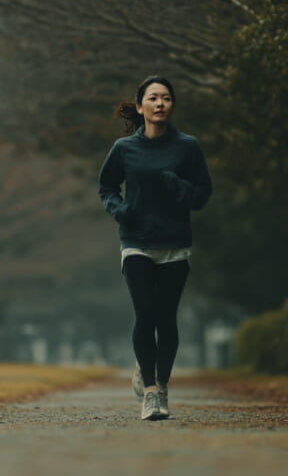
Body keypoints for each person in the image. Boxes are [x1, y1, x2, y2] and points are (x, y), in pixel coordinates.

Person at [97, 75, 212, 420]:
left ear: (172, 105)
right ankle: (149, 392)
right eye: (153, 98)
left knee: (166, 318)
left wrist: (180, 187)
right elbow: (107, 188)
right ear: (140, 106)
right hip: (137, 242)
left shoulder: (188, 147)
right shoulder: (124, 149)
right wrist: (121, 211)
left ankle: (162, 385)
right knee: (145, 314)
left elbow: (202, 194)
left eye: (166, 98)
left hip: (175, 242)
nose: (160, 103)